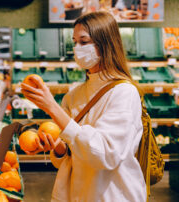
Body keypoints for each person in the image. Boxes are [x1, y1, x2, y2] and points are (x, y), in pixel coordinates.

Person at [21, 11, 146, 202]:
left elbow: (105, 155)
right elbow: (70, 156)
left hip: (112, 196)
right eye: (75, 42)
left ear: (105, 43)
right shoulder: (74, 95)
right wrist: (57, 148)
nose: (77, 48)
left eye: (84, 42)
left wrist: (52, 108)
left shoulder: (124, 93)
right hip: (78, 194)